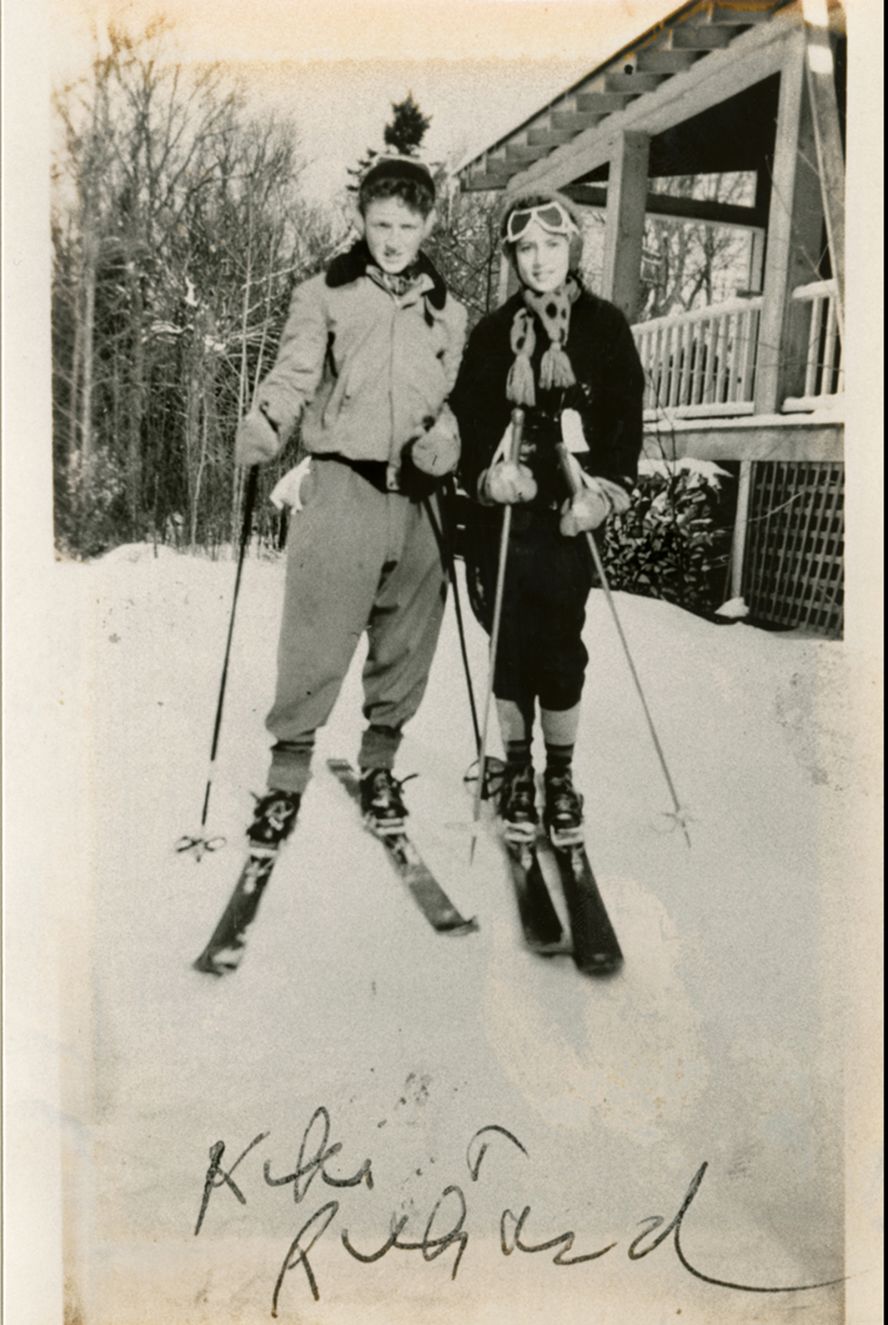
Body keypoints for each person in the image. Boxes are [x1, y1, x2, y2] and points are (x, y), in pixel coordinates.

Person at [234, 155, 467, 848]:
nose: (393, 237)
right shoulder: (324, 293)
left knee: (407, 642)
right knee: (316, 633)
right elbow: (297, 367)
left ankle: (380, 766)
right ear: (359, 220)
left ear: (428, 223)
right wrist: (268, 419)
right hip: (344, 484)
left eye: (406, 224)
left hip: (420, 500)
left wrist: (449, 438)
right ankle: (285, 776)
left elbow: (453, 398)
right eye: (380, 223)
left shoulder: (449, 311)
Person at [450, 189, 644, 847]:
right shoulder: (490, 332)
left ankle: (559, 776)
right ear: (512, 255)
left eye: (551, 246)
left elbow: (624, 425)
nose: (538, 259)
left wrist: (605, 494)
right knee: (510, 645)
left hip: (567, 515)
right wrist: (484, 476)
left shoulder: (605, 328)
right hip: (504, 521)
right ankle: (519, 772)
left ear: (573, 249)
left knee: (560, 648)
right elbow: (468, 423)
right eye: (526, 248)